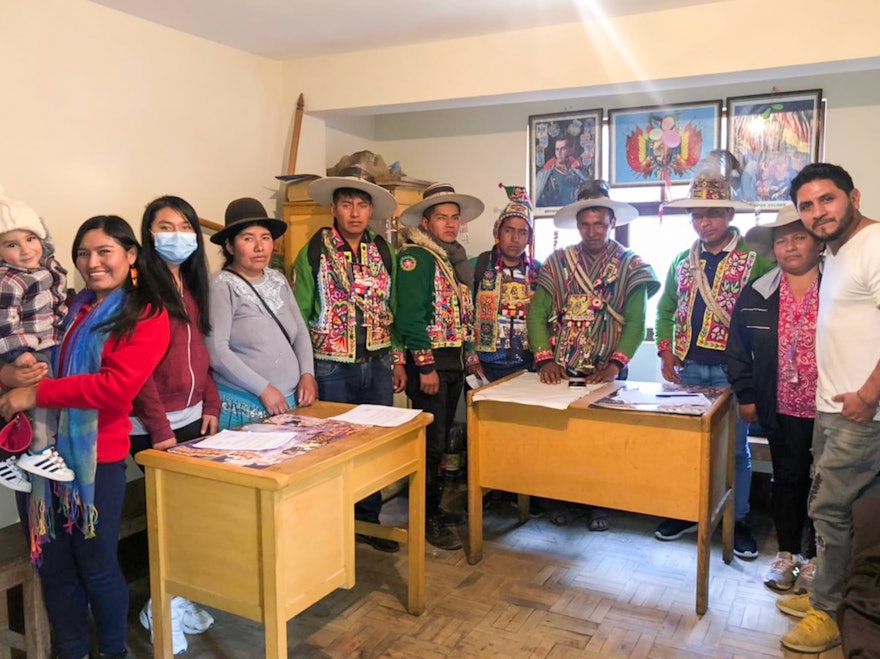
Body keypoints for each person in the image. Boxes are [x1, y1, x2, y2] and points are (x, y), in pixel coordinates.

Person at [0, 215, 171, 659]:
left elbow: (114, 390)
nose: (92, 263)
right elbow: (29, 356)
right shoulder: (70, 306)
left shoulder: (147, 315)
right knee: (53, 567)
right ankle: (70, 651)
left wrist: (33, 394)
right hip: (40, 459)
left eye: (104, 252)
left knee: (97, 568)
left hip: (98, 461)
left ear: (131, 256)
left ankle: (113, 652)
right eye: (83, 254)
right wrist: (12, 378)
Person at [775, 163, 880, 653]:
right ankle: (828, 594)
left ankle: (826, 612)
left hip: (862, 413)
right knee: (835, 509)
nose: (818, 213)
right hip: (833, 408)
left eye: (828, 200)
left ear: (852, 196)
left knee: (831, 510)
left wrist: (869, 396)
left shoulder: (875, 244)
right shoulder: (838, 252)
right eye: (807, 206)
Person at [654, 150, 774, 559]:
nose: (705, 223)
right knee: (688, 446)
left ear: (728, 214)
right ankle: (687, 511)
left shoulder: (754, 262)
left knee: (734, 450)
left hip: (732, 373)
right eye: (697, 216)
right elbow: (666, 309)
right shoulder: (680, 262)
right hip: (688, 369)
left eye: (713, 214)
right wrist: (667, 354)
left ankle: (735, 520)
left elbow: (765, 319)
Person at [528, 179, 659, 530]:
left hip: (607, 369)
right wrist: (545, 359)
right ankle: (558, 498)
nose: (592, 231)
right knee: (559, 439)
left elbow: (637, 320)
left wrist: (616, 363)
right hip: (561, 368)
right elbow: (537, 313)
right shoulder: (557, 262)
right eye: (585, 224)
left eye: (599, 223)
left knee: (604, 442)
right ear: (577, 225)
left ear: (612, 222)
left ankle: (602, 503)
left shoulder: (632, 265)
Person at [293, 172, 404, 553]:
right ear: (333, 208)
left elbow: (395, 309)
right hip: (331, 363)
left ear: (371, 210)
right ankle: (334, 522)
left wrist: (399, 360)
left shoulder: (383, 251)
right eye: (346, 204)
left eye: (361, 205)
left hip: (377, 360)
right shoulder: (314, 251)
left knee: (373, 442)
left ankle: (369, 521)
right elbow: (300, 315)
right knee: (335, 445)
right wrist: (305, 369)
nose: (354, 213)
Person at [128, 196, 219, 653]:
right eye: (165, 226)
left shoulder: (191, 284)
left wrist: (212, 401)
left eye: (185, 225)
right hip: (152, 426)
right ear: (148, 234)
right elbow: (137, 369)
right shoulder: (140, 287)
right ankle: (161, 607)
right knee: (173, 518)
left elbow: (200, 353)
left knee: (196, 515)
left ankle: (181, 596)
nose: (177, 234)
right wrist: (160, 429)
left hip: (193, 417)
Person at [725, 205, 821, 593]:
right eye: (782, 241)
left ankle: (817, 560)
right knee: (788, 480)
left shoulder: (840, 285)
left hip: (832, 408)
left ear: (817, 242)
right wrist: (746, 395)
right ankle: (786, 554)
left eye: (799, 237)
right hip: (780, 406)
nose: (790, 247)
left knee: (827, 486)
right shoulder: (756, 293)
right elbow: (737, 350)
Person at [396, 183, 483, 550]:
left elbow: (460, 314)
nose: (449, 224)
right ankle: (425, 516)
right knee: (430, 444)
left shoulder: (451, 259)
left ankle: (434, 507)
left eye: (454, 218)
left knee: (444, 437)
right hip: (430, 364)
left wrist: (469, 353)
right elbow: (411, 317)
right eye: (441, 218)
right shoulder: (416, 258)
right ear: (426, 222)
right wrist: (425, 366)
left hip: (453, 361)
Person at [206, 198, 317, 429]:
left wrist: (307, 373)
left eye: (265, 238)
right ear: (229, 246)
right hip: (247, 404)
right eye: (248, 239)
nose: (259, 247)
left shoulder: (278, 279)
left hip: (289, 401)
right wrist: (263, 388)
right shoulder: (221, 285)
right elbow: (217, 351)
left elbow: (300, 333)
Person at [0, 189, 73, 491]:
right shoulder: (11, 280)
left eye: (31, 239)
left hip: (46, 341)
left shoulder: (45, 266)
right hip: (28, 347)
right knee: (43, 399)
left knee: (34, 401)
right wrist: (19, 353)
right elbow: (4, 322)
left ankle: (8, 457)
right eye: (11, 244)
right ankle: (40, 452)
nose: (26, 249)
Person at [473, 184, 541, 382]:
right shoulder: (478, 265)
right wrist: (470, 357)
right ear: (498, 232)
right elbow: (463, 314)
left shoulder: (539, 271)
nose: (515, 239)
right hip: (485, 365)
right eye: (509, 230)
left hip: (527, 365)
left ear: (529, 238)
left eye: (522, 233)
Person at [536, 136, 589, 208]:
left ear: (570, 150)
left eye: (563, 148)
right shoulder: (544, 175)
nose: (559, 153)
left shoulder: (579, 174)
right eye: (557, 149)